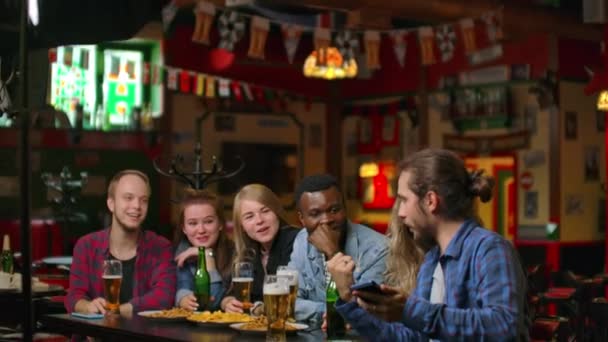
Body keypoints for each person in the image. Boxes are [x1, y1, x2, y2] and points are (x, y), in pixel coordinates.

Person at [331, 148, 528, 340]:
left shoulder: (489, 248)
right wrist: (349, 301)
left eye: (404, 200)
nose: (400, 213)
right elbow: (410, 337)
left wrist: (410, 310)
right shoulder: (432, 259)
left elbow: (503, 326)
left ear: (430, 201)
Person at [65, 170, 176, 316]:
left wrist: (117, 311)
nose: (137, 205)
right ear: (111, 204)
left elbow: (164, 297)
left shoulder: (161, 247)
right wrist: (88, 306)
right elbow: (74, 296)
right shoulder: (86, 245)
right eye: (128, 198)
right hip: (96, 336)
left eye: (144, 200)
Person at [288, 173, 387, 326]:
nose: (326, 220)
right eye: (315, 214)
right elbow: (289, 302)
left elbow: (366, 311)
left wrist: (333, 253)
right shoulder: (302, 240)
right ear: (301, 219)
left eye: (334, 210)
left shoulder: (378, 248)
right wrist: (328, 312)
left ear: (345, 208)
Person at [221, 184, 300, 313]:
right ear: (242, 226)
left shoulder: (296, 241)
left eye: (265, 211)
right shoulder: (247, 250)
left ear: (277, 212)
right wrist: (227, 303)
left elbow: (283, 299)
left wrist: (257, 307)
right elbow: (228, 292)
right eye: (249, 216)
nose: (259, 220)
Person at [173, 189, 235, 311]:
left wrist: (207, 256)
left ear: (221, 224)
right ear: (184, 228)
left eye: (208, 221)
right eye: (192, 223)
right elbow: (183, 286)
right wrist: (182, 298)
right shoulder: (183, 251)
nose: (201, 230)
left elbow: (212, 302)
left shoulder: (235, 253)